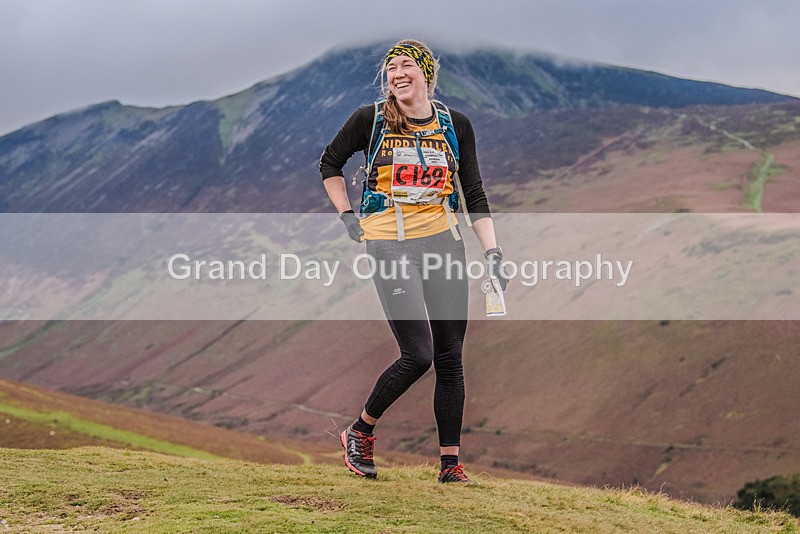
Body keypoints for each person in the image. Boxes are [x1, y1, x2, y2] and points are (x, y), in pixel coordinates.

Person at [319, 38, 508, 484]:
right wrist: (347, 215)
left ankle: (450, 465)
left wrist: (493, 250)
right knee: (418, 355)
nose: (396, 74)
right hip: (389, 244)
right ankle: (360, 431)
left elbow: (473, 193)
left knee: (450, 356)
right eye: (390, 69)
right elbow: (329, 164)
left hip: (443, 243)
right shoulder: (369, 120)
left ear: (426, 72)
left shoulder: (455, 124)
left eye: (405, 65)